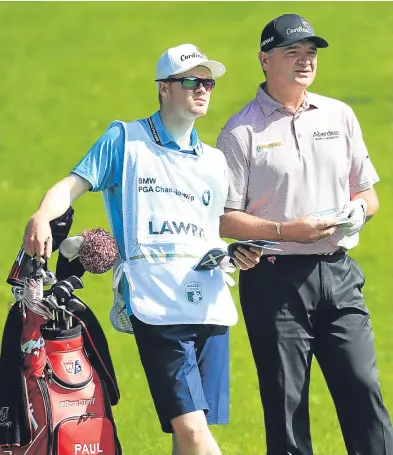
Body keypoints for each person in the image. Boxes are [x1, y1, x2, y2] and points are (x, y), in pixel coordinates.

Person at [23, 43, 261, 455]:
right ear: (164, 88)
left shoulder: (214, 161)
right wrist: (43, 215)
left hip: (209, 303)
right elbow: (70, 186)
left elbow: (211, 232)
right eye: (191, 81)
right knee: (191, 430)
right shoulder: (125, 139)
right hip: (157, 302)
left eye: (208, 82)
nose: (203, 89)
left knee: (188, 433)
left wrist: (236, 252)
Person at [217, 14, 393, 455]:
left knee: (364, 393)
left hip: (338, 273)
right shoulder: (240, 133)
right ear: (264, 60)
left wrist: (359, 211)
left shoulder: (340, 114)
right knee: (287, 407)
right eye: (292, 53)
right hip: (274, 281)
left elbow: (369, 194)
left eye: (310, 53)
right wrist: (284, 230)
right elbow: (223, 219)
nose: (305, 61)